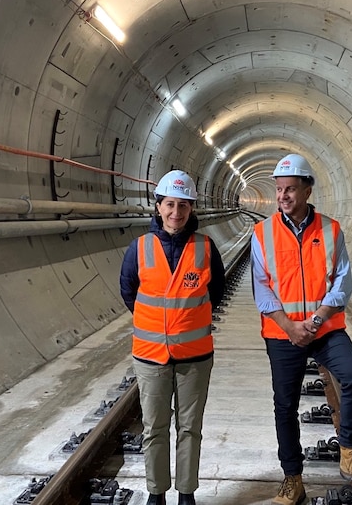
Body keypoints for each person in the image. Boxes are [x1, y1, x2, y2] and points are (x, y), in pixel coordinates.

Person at [251, 154, 352, 505]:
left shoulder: (330, 230)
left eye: (290, 189)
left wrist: (314, 321)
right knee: (285, 405)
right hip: (283, 333)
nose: (283, 196)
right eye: (279, 189)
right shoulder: (262, 233)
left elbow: (342, 283)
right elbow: (262, 287)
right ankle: (292, 478)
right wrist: (289, 325)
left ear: (308, 189)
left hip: (324, 329)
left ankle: (350, 452)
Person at [120, 170, 225, 505]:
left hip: (194, 356)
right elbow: (129, 293)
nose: (176, 212)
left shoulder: (206, 248)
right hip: (150, 355)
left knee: (189, 428)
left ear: (191, 208)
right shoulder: (139, 249)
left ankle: (186, 492)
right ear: (158, 206)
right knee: (153, 429)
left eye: (183, 205)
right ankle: (156, 492)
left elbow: (216, 293)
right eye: (170, 204)